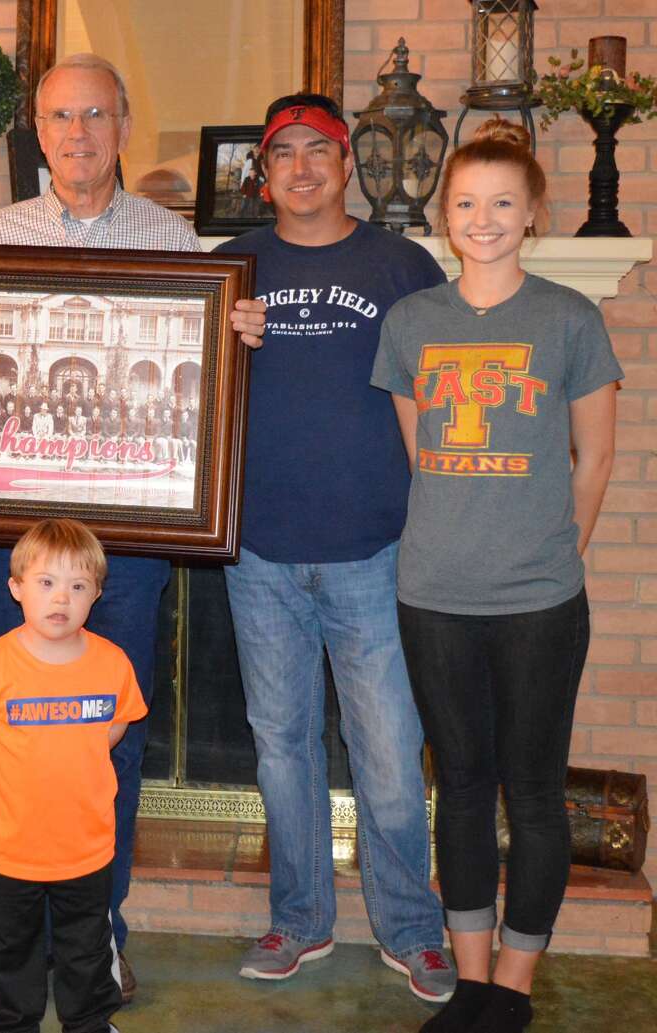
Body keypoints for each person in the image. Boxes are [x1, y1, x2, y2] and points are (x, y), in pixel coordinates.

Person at [0, 52, 264, 999]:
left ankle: (101, 933)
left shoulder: (177, 242)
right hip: (11, 539)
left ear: (124, 126)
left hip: (124, 549)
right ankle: (9, 946)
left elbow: (201, 392)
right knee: (10, 729)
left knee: (112, 738)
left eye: (96, 114)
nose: (78, 134)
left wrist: (237, 339)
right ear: (38, 132)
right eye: (60, 117)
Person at [372, 119, 621, 1033]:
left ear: (532, 216)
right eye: (467, 203)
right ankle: (470, 983)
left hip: (539, 600)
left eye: (503, 203)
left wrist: (561, 555)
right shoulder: (412, 323)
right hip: (432, 593)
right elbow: (419, 455)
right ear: (446, 216)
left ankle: (513, 989)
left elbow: (593, 459)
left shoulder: (568, 318)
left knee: (535, 790)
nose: (483, 219)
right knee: (463, 786)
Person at [213, 93, 454, 1001]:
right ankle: (301, 918)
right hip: (260, 552)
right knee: (282, 748)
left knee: (389, 748)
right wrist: (226, 345)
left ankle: (411, 929)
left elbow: (442, 390)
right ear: (264, 174)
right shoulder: (232, 266)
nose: (303, 167)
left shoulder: (402, 263)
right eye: (285, 154)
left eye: (320, 150)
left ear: (347, 163)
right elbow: (186, 396)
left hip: (375, 546)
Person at [0, 519, 147, 1033]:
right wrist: (12, 753)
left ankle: (91, 1023)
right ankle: (10, 1024)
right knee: (11, 950)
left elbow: (116, 723)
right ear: (15, 589)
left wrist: (71, 747)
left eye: (78, 586)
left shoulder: (113, 662)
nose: (62, 598)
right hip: (10, 847)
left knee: (87, 949)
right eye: (46, 583)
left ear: (96, 594)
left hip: (86, 846)